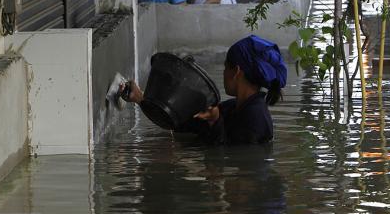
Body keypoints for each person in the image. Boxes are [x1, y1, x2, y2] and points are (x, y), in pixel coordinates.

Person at [123, 35, 287, 145]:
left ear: (236, 72)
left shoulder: (256, 119)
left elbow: (230, 157)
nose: (223, 73)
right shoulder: (232, 107)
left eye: (225, 67)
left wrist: (214, 122)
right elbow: (180, 124)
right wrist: (140, 99)